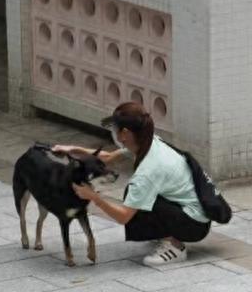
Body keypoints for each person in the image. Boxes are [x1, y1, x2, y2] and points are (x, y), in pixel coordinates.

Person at [52, 102, 211, 266]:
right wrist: (71, 149)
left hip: (194, 225)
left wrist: (93, 197)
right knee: (137, 195)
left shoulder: (148, 170)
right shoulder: (148, 142)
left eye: (115, 129)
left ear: (125, 133)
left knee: (134, 197)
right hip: (197, 213)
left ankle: (175, 247)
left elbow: (123, 216)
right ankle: (165, 233)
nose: (113, 133)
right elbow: (107, 157)